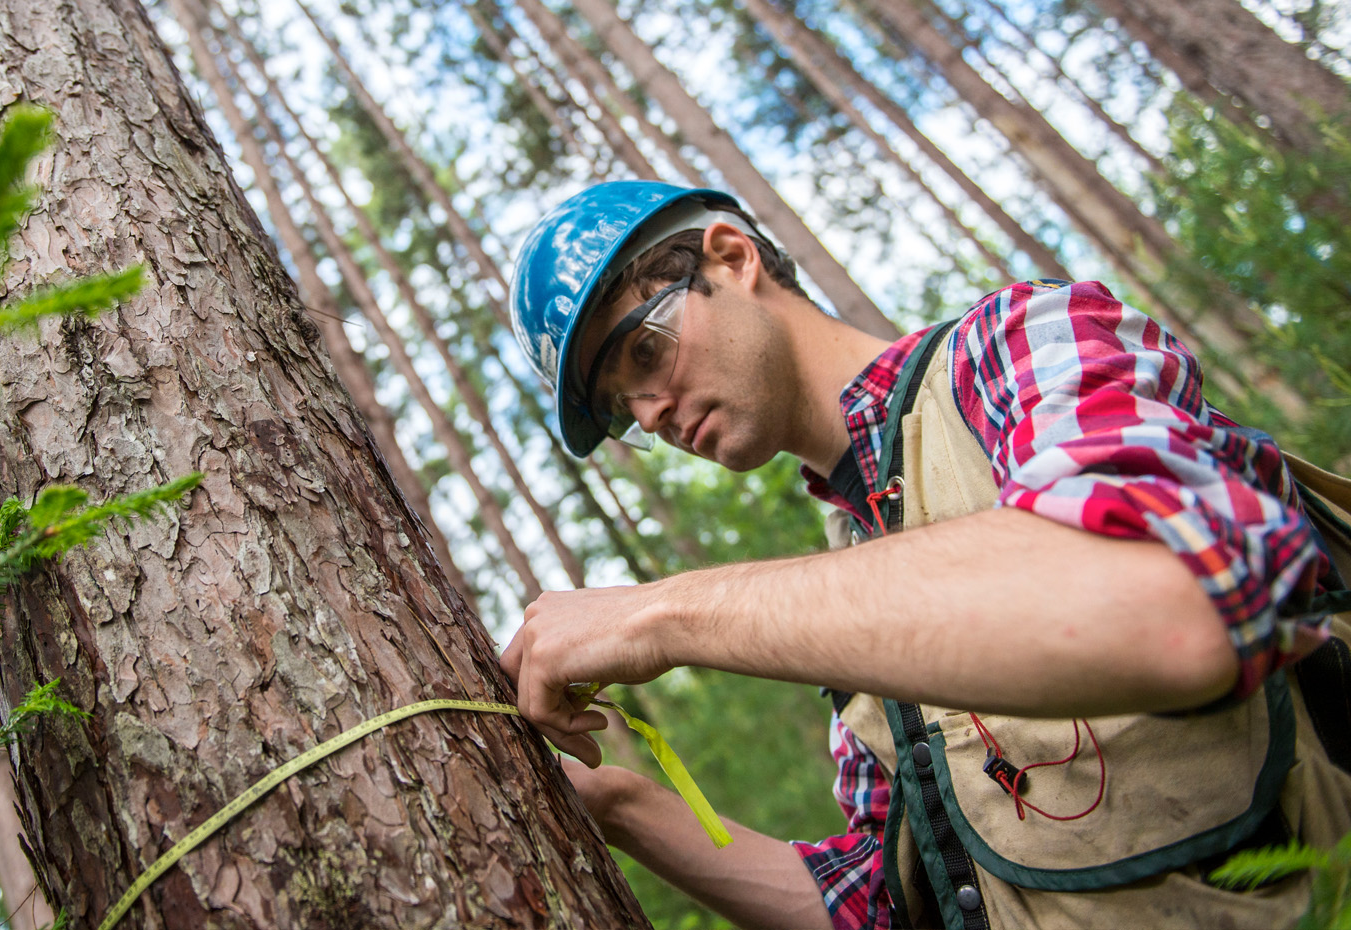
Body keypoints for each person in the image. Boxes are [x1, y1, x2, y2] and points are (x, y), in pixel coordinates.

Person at [499, 180, 1351, 930]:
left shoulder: (1016, 343)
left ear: (733, 257)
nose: (649, 414)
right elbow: (891, 900)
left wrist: (660, 613)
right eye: (622, 411)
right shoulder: (848, 575)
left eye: (644, 352)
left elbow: (1168, 603)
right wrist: (619, 806)